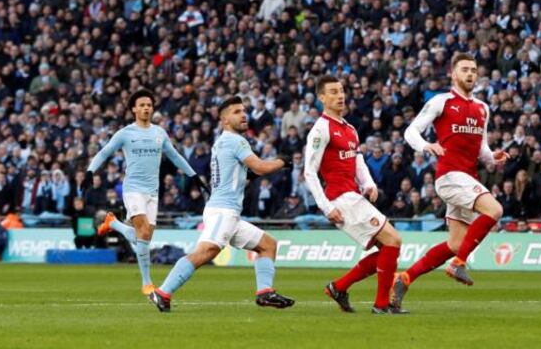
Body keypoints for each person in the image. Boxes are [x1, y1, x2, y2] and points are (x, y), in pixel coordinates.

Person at [147, 97, 294, 313]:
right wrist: (283, 161)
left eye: (244, 111)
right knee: (207, 251)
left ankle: (265, 293)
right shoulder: (236, 141)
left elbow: (236, 176)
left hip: (228, 212)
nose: (243, 115)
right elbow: (261, 167)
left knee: (267, 245)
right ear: (225, 120)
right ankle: (162, 292)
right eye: (236, 112)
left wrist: (250, 176)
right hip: (223, 211)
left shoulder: (222, 142)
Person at [394, 53, 509, 308]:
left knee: (456, 244)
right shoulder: (441, 101)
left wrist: (493, 157)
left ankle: (404, 278)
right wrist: (427, 146)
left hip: (467, 179)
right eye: (465, 69)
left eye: (474, 70)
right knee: (495, 209)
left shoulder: (482, 108)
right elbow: (410, 131)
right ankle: (458, 264)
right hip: (449, 176)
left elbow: (481, 149)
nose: (470, 74)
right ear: (453, 74)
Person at [305, 77, 406, 314]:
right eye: (333, 92)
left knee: (387, 250)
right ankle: (381, 305)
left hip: (354, 195)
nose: (339, 96)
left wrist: (369, 183)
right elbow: (309, 171)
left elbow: (357, 159)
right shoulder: (320, 129)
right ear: (322, 98)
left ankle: (339, 287)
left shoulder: (349, 128)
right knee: (394, 240)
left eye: (341, 91)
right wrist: (326, 207)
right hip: (341, 199)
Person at [87, 89, 198, 294]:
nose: (146, 108)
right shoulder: (125, 133)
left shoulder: (159, 133)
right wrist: (90, 171)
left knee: (143, 236)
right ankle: (147, 283)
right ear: (134, 109)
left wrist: (193, 176)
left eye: (149, 105)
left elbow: (175, 156)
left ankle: (113, 223)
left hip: (152, 192)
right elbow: (105, 152)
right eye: (142, 105)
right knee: (144, 232)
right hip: (133, 189)